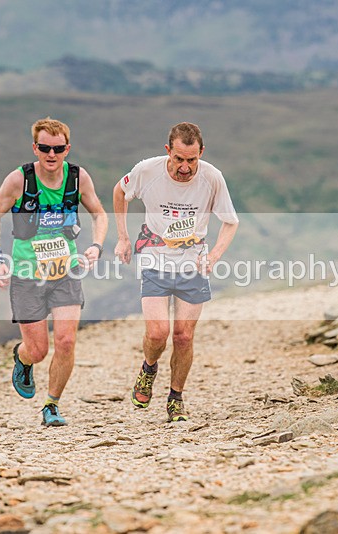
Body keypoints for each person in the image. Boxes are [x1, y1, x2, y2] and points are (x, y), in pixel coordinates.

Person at [0, 117, 108, 427]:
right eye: (44, 148)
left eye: (57, 149)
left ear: (67, 149)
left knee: (66, 341)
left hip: (65, 271)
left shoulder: (78, 179)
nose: (51, 155)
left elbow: (100, 214)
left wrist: (96, 246)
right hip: (27, 274)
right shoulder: (19, 181)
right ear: (35, 148)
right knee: (38, 350)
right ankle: (23, 358)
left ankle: (51, 404)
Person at [113, 122, 239, 422]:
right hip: (155, 258)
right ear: (168, 150)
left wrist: (216, 254)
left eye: (192, 160)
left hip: (193, 262)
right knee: (158, 333)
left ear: (201, 153)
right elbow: (120, 191)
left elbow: (230, 221)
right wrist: (123, 236)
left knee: (184, 336)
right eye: (179, 159)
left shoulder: (212, 177)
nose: (185, 167)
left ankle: (175, 397)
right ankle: (149, 367)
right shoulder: (147, 171)